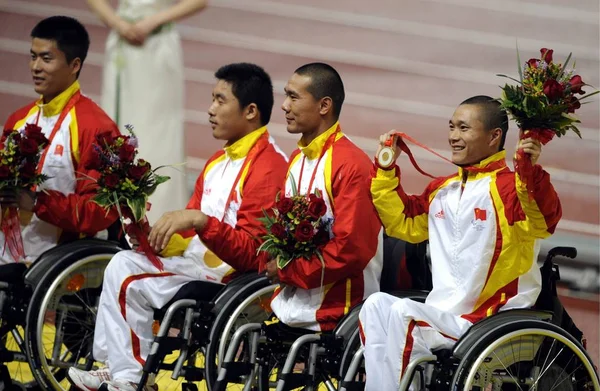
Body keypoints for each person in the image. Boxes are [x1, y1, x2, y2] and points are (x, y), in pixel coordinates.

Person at [67, 63, 288, 391]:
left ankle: (130, 377)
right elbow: (187, 231)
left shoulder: (269, 167)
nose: (210, 109)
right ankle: (119, 367)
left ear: (250, 111)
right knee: (125, 260)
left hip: (228, 280)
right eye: (211, 99)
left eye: (220, 100)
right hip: (195, 265)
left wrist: (199, 221)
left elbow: (252, 254)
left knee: (128, 276)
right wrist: (150, 234)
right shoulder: (218, 161)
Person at [358, 95, 562, 390]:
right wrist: (386, 169)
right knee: (376, 304)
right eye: (451, 127)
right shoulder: (442, 189)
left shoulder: (510, 190)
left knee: (404, 314)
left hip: (489, 321)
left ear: (494, 137)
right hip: (444, 316)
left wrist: (529, 172)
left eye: (464, 128)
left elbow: (543, 219)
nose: (453, 136)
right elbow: (402, 223)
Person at [264, 62, 383, 332]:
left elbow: (351, 249)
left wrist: (286, 271)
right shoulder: (297, 159)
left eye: (294, 97)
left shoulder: (351, 165)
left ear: (324, 106)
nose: (284, 106)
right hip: (291, 300)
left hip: (341, 306)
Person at [1, 16, 120, 265]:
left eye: (46, 59)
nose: (35, 67)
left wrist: (37, 202)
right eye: (33, 56)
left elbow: (100, 210)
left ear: (74, 65)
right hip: (8, 247)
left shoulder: (95, 127)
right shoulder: (19, 119)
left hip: (57, 258)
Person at [86, 0, 208, 221]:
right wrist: (117, 22)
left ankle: (159, 212)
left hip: (158, 45)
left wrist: (154, 20)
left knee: (158, 130)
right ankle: (110, 208)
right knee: (115, 124)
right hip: (122, 47)